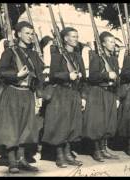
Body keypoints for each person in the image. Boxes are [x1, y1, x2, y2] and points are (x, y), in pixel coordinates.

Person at [0, 21, 44, 173]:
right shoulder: (10, 52)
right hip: (13, 92)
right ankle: (11, 161)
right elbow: (0, 72)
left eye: (32, 33)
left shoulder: (34, 54)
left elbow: (39, 76)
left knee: (26, 128)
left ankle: (22, 159)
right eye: (27, 33)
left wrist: (39, 95)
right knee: (12, 127)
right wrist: (16, 75)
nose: (30, 36)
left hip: (28, 93)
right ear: (18, 34)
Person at [42, 27, 86, 168]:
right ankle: (59, 155)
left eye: (76, 36)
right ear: (65, 38)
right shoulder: (58, 55)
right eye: (72, 36)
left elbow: (83, 78)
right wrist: (68, 75)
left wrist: (82, 96)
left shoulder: (78, 56)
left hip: (74, 93)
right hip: (61, 93)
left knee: (73, 125)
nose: (75, 39)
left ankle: (68, 153)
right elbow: (53, 74)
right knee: (61, 124)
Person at [83, 31, 120, 162]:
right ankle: (96, 150)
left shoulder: (114, 59)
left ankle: (104, 148)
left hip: (110, 93)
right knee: (98, 122)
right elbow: (92, 77)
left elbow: (117, 78)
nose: (113, 44)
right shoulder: (96, 58)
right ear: (103, 44)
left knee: (108, 122)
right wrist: (106, 75)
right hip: (98, 92)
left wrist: (117, 96)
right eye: (110, 41)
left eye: (114, 41)